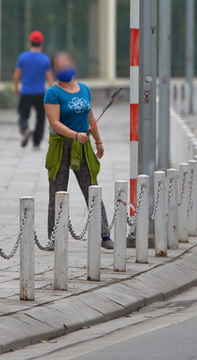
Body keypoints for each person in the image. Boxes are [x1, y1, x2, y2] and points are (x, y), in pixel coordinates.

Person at [44, 52, 114, 250]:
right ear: (54, 70)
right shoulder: (53, 93)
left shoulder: (84, 89)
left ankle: (104, 234)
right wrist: (75, 135)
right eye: (61, 65)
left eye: (68, 64)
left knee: (91, 186)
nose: (66, 67)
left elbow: (90, 117)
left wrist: (98, 141)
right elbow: (54, 123)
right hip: (61, 146)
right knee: (57, 191)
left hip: (82, 146)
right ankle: (53, 236)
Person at [13, 30, 54, 150]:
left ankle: (24, 129)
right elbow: (50, 79)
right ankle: (36, 143)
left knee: (22, 114)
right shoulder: (45, 59)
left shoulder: (23, 57)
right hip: (40, 92)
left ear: (30, 42)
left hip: (26, 92)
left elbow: (16, 75)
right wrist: (53, 94)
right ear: (42, 43)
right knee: (40, 117)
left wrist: (16, 88)